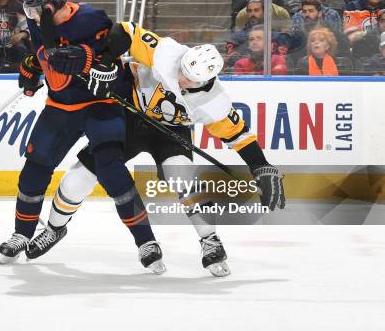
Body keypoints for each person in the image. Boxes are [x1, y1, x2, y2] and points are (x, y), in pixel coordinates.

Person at [26, 21, 285, 277]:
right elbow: (125, 31)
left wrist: (260, 166)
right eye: (182, 70)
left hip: (170, 133)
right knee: (77, 179)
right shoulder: (168, 53)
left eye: (190, 79)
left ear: (207, 80)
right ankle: (54, 229)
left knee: (181, 175)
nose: (181, 77)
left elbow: (239, 136)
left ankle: (210, 240)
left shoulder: (215, 102)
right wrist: (105, 63)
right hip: (129, 116)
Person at [0, 0, 166, 274]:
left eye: (37, 9)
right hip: (60, 105)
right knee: (34, 170)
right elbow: (43, 56)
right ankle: (22, 234)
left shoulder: (91, 19)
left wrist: (87, 60)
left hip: (100, 104)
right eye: (30, 9)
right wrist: (31, 66)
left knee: (111, 170)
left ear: (53, 4)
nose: (33, 15)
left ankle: (146, 242)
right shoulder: (38, 24)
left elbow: (114, 63)